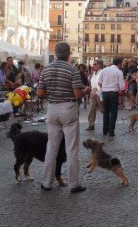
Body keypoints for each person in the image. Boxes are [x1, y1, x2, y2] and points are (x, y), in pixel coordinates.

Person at [37, 42, 90, 193]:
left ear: (55, 53)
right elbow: (77, 94)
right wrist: (86, 90)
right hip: (68, 108)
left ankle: (46, 182)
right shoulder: (72, 69)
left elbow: (40, 94)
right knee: (71, 148)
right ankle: (74, 184)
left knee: (51, 147)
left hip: (52, 108)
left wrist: (53, 94)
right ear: (68, 54)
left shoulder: (46, 69)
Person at [98, 58, 124, 137]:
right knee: (113, 112)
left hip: (105, 93)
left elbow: (99, 82)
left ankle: (105, 130)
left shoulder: (104, 70)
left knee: (106, 112)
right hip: (113, 93)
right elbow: (122, 87)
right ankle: (111, 131)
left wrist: (105, 88)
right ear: (119, 64)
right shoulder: (119, 72)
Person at [87, 60, 104, 131]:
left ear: (99, 65)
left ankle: (108, 123)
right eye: (93, 64)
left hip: (99, 92)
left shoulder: (102, 72)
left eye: (95, 64)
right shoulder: (94, 72)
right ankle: (91, 125)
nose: (93, 65)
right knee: (91, 109)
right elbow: (90, 81)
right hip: (93, 91)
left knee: (103, 109)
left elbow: (101, 82)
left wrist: (99, 91)